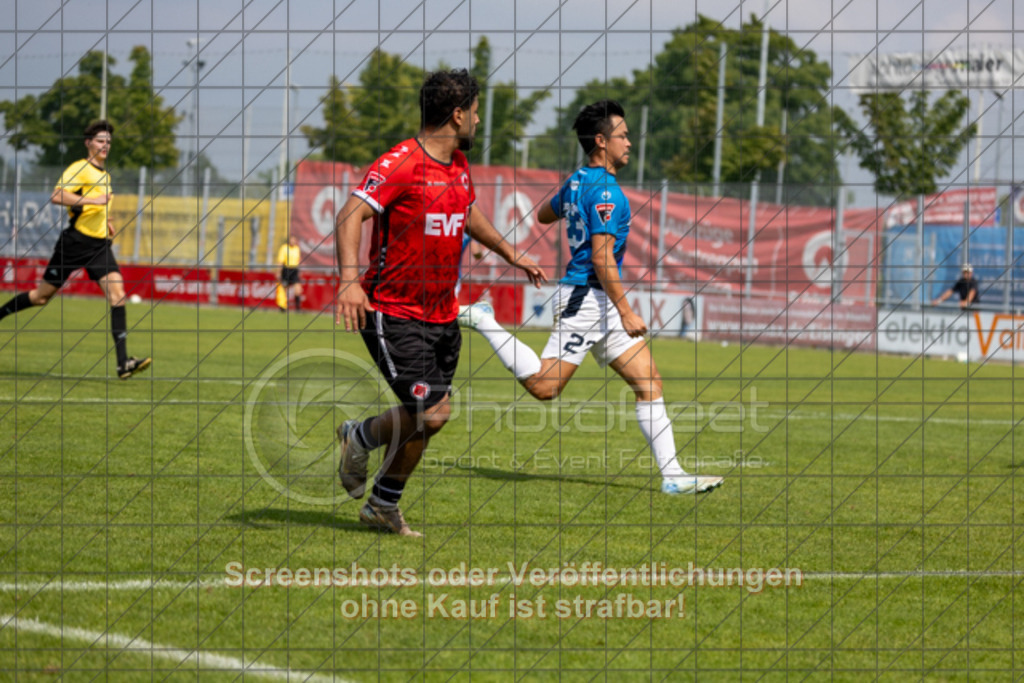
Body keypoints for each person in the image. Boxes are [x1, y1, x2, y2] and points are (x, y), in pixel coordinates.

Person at [459, 100, 723, 495]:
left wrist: (573, 204)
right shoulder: (606, 193)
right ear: (601, 141)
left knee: (649, 382)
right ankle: (484, 319)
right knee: (546, 388)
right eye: (623, 135)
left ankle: (673, 476)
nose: (630, 142)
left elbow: (544, 215)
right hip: (587, 298)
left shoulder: (579, 181)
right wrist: (627, 311)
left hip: (597, 300)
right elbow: (601, 258)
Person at [333, 68, 547, 537]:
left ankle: (377, 490)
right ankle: (366, 451)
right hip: (393, 311)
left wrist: (511, 252)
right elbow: (350, 214)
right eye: (474, 112)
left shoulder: (458, 166)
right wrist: (349, 282)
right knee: (432, 412)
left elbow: (467, 211)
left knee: (427, 418)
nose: (477, 120)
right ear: (457, 114)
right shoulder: (400, 163)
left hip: (442, 316)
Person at [0, 120, 151, 379]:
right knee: (41, 297)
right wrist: (92, 199)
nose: (106, 145)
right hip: (74, 244)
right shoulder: (80, 168)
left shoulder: (105, 176)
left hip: (99, 246)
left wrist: (107, 221)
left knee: (118, 294)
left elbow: (96, 209)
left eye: (109, 142)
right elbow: (57, 195)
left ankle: (123, 362)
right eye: (101, 141)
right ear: (88, 143)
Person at [276, 234, 303, 311]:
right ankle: (282, 306)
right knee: (284, 288)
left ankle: (298, 308)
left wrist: (299, 271)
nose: (293, 241)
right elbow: (280, 261)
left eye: (294, 240)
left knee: (298, 289)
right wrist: (278, 272)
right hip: (286, 270)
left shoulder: (297, 249)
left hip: (294, 270)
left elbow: (298, 261)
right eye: (292, 239)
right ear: (289, 240)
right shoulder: (284, 248)